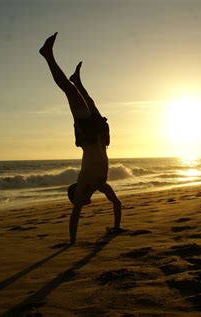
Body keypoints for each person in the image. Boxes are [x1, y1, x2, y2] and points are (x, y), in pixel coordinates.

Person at [39, 32, 122, 244]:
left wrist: (71, 241)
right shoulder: (100, 185)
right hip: (98, 136)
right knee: (89, 101)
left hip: (87, 134)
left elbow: (75, 215)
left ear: (77, 194)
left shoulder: (84, 184)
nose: (80, 203)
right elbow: (116, 203)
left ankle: (48, 56)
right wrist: (116, 227)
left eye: (77, 199)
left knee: (69, 90)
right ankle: (76, 79)